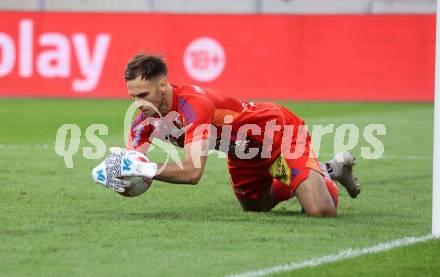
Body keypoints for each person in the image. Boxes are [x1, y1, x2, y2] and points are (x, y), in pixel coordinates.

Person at [94, 53, 360, 217]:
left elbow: (191, 172)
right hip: (242, 153)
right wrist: (119, 176)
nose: (137, 103)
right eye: (132, 96)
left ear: (163, 85)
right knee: (257, 209)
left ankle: (323, 176)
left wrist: (147, 169)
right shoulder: (141, 121)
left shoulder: (193, 105)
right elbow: (135, 167)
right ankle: (323, 170)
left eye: (143, 95)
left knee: (321, 212)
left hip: (278, 133)